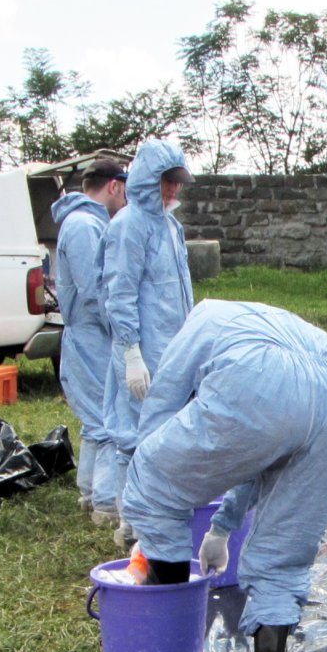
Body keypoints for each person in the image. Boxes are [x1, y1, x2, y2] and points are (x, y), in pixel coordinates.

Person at [121, 300, 327, 652]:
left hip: (260, 378)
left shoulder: (198, 324)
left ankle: (166, 643)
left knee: (152, 481)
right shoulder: (250, 321)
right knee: (283, 551)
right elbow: (258, 460)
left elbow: (161, 412)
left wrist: (149, 516)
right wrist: (220, 529)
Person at [100, 139, 195, 541]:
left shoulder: (171, 226)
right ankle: (132, 524)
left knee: (166, 436)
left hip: (173, 350)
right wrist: (131, 352)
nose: (172, 190)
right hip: (142, 350)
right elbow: (119, 293)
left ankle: (157, 516)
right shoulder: (129, 225)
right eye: (165, 181)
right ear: (145, 180)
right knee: (133, 438)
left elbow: (181, 292)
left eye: (177, 182)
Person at [50, 158, 127, 517]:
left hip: (90, 334)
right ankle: (106, 502)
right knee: (109, 418)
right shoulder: (84, 225)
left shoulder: (85, 222)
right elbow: (95, 290)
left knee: (96, 420)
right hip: (91, 335)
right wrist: (123, 330)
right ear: (114, 185)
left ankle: (90, 493)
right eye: (125, 189)